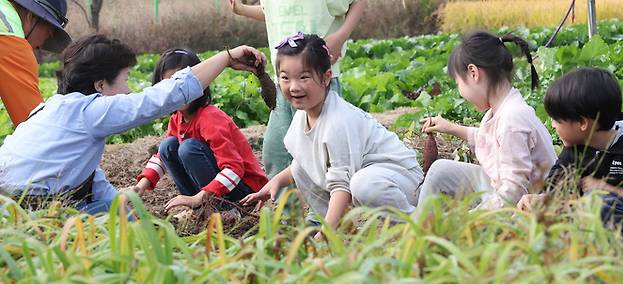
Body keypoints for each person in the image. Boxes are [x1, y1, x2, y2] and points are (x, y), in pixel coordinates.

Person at [0, 34, 265, 214]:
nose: (128, 90)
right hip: (34, 208)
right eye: (125, 79)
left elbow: (89, 176)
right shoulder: (92, 110)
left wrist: (128, 205)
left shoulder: (48, 108)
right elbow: (162, 98)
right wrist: (225, 58)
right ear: (100, 85)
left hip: (8, 204)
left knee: (119, 215)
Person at [241, 33, 422, 229]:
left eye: (304, 77)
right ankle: (344, 232)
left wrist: (326, 233)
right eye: (285, 78)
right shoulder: (304, 115)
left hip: (403, 182)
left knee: (362, 184)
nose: (293, 87)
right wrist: (275, 182)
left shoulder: (338, 121)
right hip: (372, 178)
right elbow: (304, 162)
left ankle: (417, 226)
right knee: (302, 169)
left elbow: (341, 186)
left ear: (326, 77)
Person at [228, 0, 367, 179]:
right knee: (276, 151)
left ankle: (330, 203)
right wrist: (242, 9)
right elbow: (277, 12)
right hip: (284, 85)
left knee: (325, 153)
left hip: (317, 82)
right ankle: (284, 205)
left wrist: (341, 36)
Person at [418, 31, 557, 209]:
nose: (460, 90)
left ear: (473, 73)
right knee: (440, 171)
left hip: (527, 207)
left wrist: (472, 219)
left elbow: (514, 192)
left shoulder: (512, 120)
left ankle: (423, 230)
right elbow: (489, 139)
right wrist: (450, 127)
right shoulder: (504, 107)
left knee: (459, 223)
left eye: (458, 83)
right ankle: (419, 226)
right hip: (502, 186)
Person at [518, 67, 623, 241]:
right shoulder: (577, 146)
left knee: (597, 201)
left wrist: (606, 188)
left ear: (582, 123)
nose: (553, 125)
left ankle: (620, 251)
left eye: (557, 120)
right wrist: (540, 199)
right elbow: (556, 186)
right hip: (596, 221)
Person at [131, 48, 268, 211]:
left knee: (188, 149)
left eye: (182, 83)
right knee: (168, 146)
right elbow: (162, 157)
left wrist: (199, 197)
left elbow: (234, 169)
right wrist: (140, 186)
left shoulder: (210, 118)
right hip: (217, 189)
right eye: (169, 85)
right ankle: (201, 208)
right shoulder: (177, 118)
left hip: (246, 192)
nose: (177, 91)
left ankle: (226, 209)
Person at [0, 0, 71, 127]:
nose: (44, 44)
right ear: (31, 16)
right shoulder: (11, 39)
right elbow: (34, 128)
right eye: (51, 31)